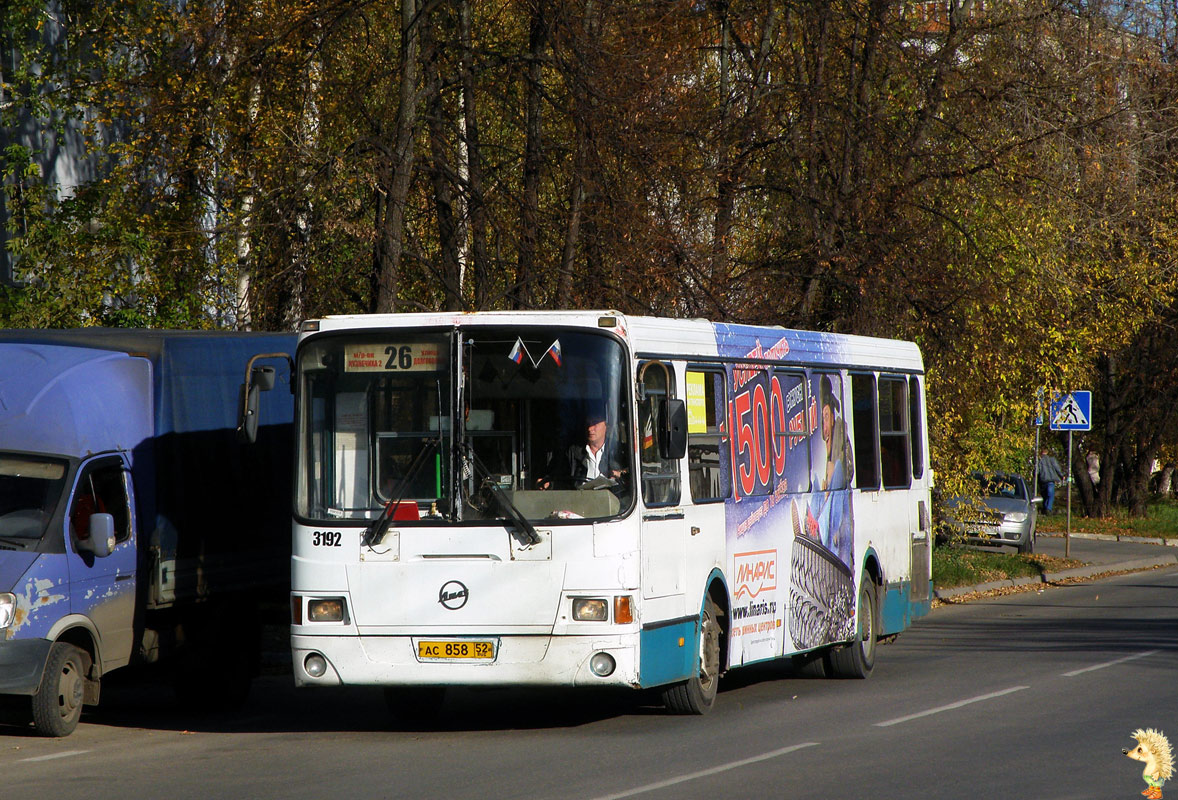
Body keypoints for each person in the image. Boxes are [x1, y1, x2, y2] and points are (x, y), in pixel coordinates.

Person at [539, 404, 627, 489]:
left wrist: (621, 475)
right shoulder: (572, 453)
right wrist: (549, 484)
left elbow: (634, 478)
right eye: (588, 423)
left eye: (595, 423)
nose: (590, 428)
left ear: (606, 425)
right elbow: (559, 478)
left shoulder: (620, 451)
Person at [819, 376, 854, 491]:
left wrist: (835, 473)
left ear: (833, 417)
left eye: (827, 416)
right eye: (822, 419)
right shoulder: (828, 453)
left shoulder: (841, 437)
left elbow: (849, 471)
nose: (825, 428)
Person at [1038, 446, 1064, 514]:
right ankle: (1048, 508)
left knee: (1045, 495)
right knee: (1050, 494)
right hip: (1051, 480)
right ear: (1047, 452)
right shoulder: (1052, 459)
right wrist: (1062, 475)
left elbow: (1037, 471)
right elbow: (1057, 468)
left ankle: (1045, 508)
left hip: (1043, 480)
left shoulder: (1039, 460)